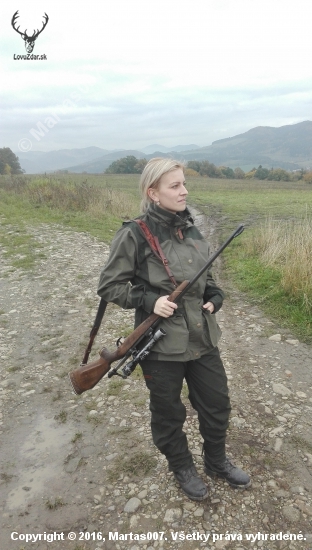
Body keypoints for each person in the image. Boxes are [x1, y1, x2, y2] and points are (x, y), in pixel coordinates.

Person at [97, 157, 250, 500]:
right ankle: (182, 467)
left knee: (217, 403)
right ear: (153, 193)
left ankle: (216, 462)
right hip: (160, 345)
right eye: (175, 185)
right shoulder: (134, 234)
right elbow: (109, 286)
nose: (184, 191)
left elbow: (206, 277)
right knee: (168, 412)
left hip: (202, 337)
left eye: (184, 184)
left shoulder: (191, 229)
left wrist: (215, 295)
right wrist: (149, 300)